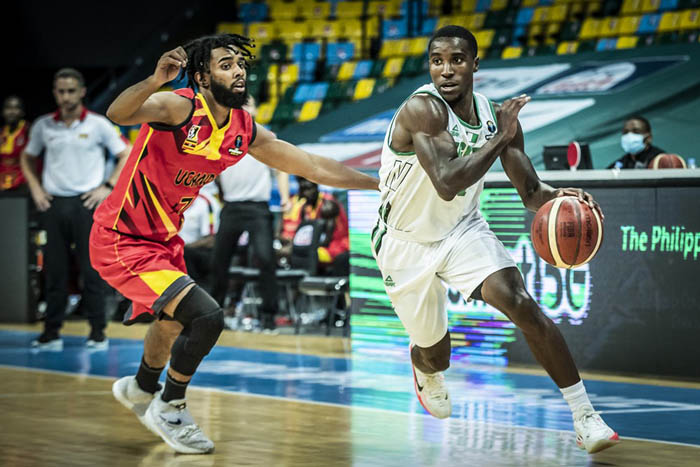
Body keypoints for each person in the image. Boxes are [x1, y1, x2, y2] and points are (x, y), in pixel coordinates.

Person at [90, 34, 378, 454]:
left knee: (172, 323)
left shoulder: (244, 129)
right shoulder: (178, 107)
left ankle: (141, 387)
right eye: (226, 65)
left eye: (240, 63)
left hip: (163, 242)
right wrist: (154, 80)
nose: (239, 70)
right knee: (207, 317)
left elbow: (312, 165)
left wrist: (377, 183)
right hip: (122, 237)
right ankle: (170, 406)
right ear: (203, 77)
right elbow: (118, 112)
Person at [372, 26, 619, 454]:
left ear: (475, 64)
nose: (446, 70)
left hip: (461, 229)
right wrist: (501, 137)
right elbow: (447, 182)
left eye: (457, 60)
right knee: (437, 355)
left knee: (520, 302)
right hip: (404, 243)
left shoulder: (493, 116)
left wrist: (561, 199)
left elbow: (530, 191)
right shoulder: (422, 109)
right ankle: (423, 366)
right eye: (436, 61)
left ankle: (585, 417)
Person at [20, 68, 130, 350]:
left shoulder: (98, 124)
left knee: (92, 271)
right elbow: (27, 157)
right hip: (54, 204)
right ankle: (51, 333)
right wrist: (36, 189)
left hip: (87, 204)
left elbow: (126, 153)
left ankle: (97, 332)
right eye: (60, 91)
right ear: (54, 93)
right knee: (54, 271)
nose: (66, 96)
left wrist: (107, 186)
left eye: (71, 91)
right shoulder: (44, 126)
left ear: (82, 92)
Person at [210, 95, 290, 332]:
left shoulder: (265, 136)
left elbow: (281, 169)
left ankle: (268, 316)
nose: (244, 107)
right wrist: (222, 194)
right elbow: (213, 170)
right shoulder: (220, 136)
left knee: (265, 260)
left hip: (258, 208)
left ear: (255, 109)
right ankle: (213, 314)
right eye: (240, 103)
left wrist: (285, 196)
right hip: (231, 207)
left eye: (249, 103)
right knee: (218, 261)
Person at [279, 176, 349, 276]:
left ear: (316, 187)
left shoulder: (327, 204)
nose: (305, 193)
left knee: (304, 253)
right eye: (302, 190)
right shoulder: (305, 206)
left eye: (308, 189)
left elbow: (327, 240)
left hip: (336, 247)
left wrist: (296, 248)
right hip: (316, 246)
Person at [180, 181, 221, 286]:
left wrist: (182, 247)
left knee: (184, 254)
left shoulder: (206, 202)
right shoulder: (173, 202)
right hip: (180, 250)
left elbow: (212, 240)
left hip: (200, 253)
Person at [1, 95, 29, 191]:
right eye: (8, 108)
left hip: (23, 183)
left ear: (22, 112)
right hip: (2, 183)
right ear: (3, 112)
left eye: (16, 108)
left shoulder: (28, 130)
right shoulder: (1, 132)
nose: (11, 112)